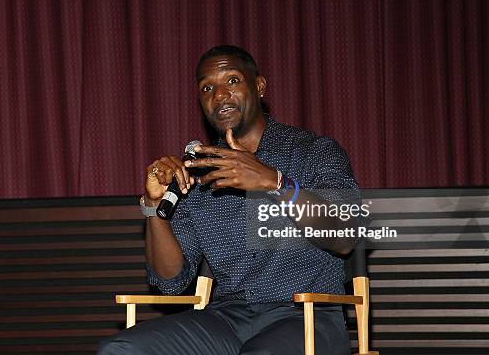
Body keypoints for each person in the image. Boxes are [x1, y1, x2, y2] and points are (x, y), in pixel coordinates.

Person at [99, 45, 364, 355]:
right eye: (207, 87)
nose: (220, 95)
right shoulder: (196, 172)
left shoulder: (312, 151)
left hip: (307, 316)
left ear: (260, 86)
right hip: (227, 319)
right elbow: (170, 281)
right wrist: (155, 209)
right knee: (121, 348)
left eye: (233, 81)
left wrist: (273, 182)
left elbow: (345, 235)